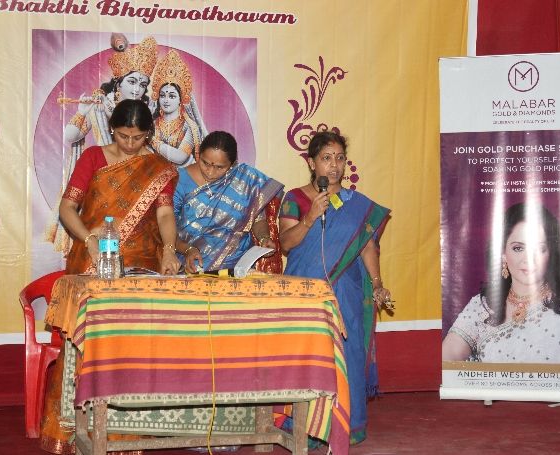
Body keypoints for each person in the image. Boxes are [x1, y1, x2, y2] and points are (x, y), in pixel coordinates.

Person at [39, 99, 180, 454]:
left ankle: (129, 432)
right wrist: (88, 240)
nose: (130, 144)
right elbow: (67, 208)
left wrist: (168, 249)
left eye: (138, 137)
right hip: (92, 260)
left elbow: (164, 214)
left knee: (131, 345)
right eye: (122, 135)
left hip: (139, 265)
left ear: (149, 134)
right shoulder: (93, 158)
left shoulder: (159, 168)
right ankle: (72, 429)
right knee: (86, 341)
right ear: (112, 129)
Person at [278, 131, 391, 445]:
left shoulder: (357, 205)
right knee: (310, 358)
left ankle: (347, 425)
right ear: (312, 163)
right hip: (306, 294)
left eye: (340, 158)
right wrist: (310, 218)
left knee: (347, 355)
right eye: (326, 158)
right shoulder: (295, 199)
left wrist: (378, 284)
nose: (334, 165)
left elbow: (367, 247)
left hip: (346, 294)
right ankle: (306, 427)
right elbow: (286, 243)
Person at [442, 202, 560, 363]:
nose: (528, 259)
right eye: (518, 248)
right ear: (502, 254)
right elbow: (446, 358)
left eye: (539, 249)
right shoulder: (482, 305)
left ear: (550, 253)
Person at [46, 36, 158, 253]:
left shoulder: (149, 110)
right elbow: (71, 135)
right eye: (132, 82)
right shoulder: (99, 105)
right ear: (118, 82)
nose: (137, 89)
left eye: (143, 84)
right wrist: (82, 112)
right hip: (101, 183)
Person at [173, 131, 284, 273]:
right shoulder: (179, 180)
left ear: (232, 164)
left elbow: (257, 219)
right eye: (205, 163)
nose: (210, 172)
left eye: (219, 167)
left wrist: (264, 238)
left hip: (237, 267)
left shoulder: (245, 180)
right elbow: (167, 230)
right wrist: (187, 249)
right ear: (198, 154)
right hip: (193, 267)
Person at [150, 49, 208, 166]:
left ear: (181, 100)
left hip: (183, 174)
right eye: (162, 95)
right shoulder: (154, 123)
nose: (166, 100)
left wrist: (152, 140)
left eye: (172, 96)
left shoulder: (189, 127)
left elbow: (180, 157)